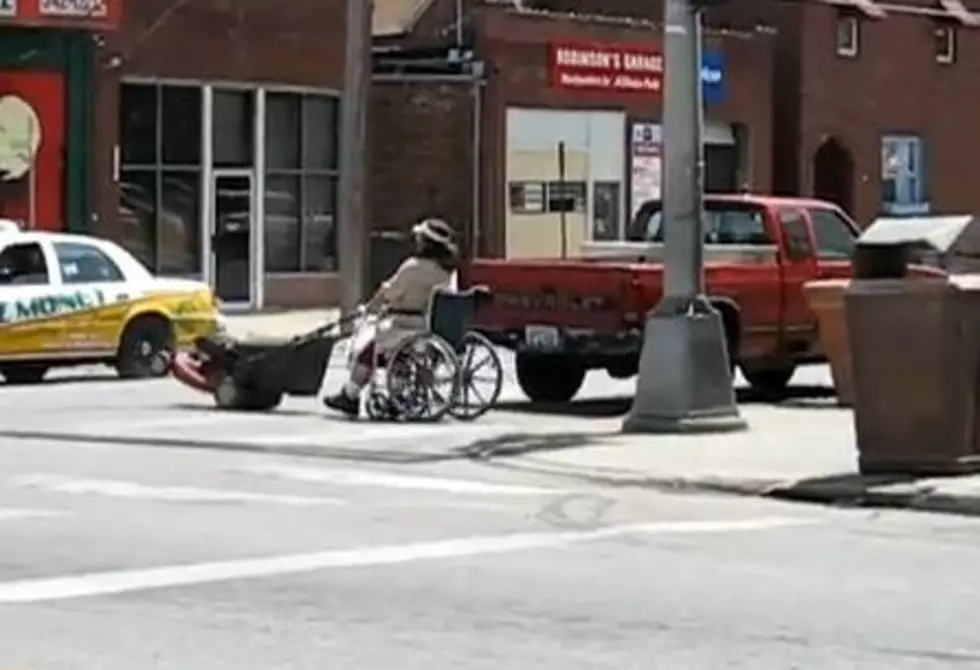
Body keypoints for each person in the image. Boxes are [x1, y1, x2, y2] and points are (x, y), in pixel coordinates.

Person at [323, 217, 459, 416]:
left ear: (425, 243)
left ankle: (350, 395)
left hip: (406, 326)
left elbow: (390, 291)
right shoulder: (445, 272)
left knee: (367, 353)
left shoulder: (413, 267)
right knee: (393, 351)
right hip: (428, 328)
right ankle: (398, 391)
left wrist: (372, 306)